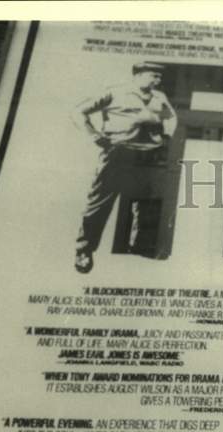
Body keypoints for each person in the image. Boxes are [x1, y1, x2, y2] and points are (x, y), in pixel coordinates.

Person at [71, 61, 177, 273]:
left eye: (159, 77)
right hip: (118, 152)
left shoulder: (160, 97)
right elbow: (78, 112)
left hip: (147, 155)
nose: (157, 80)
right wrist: (94, 136)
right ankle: (84, 250)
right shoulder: (114, 93)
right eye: (152, 76)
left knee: (145, 202)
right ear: (137, 75)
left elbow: (172, 117)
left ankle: (139, 247)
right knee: (99, 204)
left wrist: (165, 136)